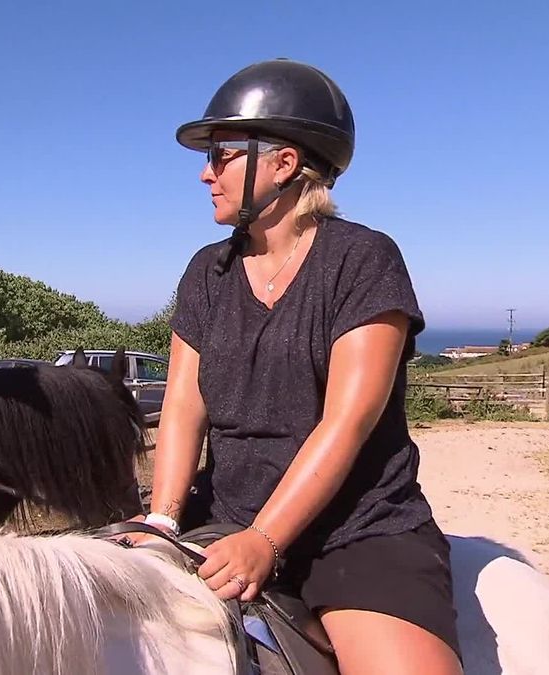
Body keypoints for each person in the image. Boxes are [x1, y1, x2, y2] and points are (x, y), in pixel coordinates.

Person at [140, 59, 463, 673]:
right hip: (224, 517)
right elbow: (183, 405)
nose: (206, 174)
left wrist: (266, 539)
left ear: (283, 163)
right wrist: (162, 519)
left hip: (358, 529)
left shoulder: (363, 259)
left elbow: (348, 421)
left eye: (223, 155)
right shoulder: (206, 271)